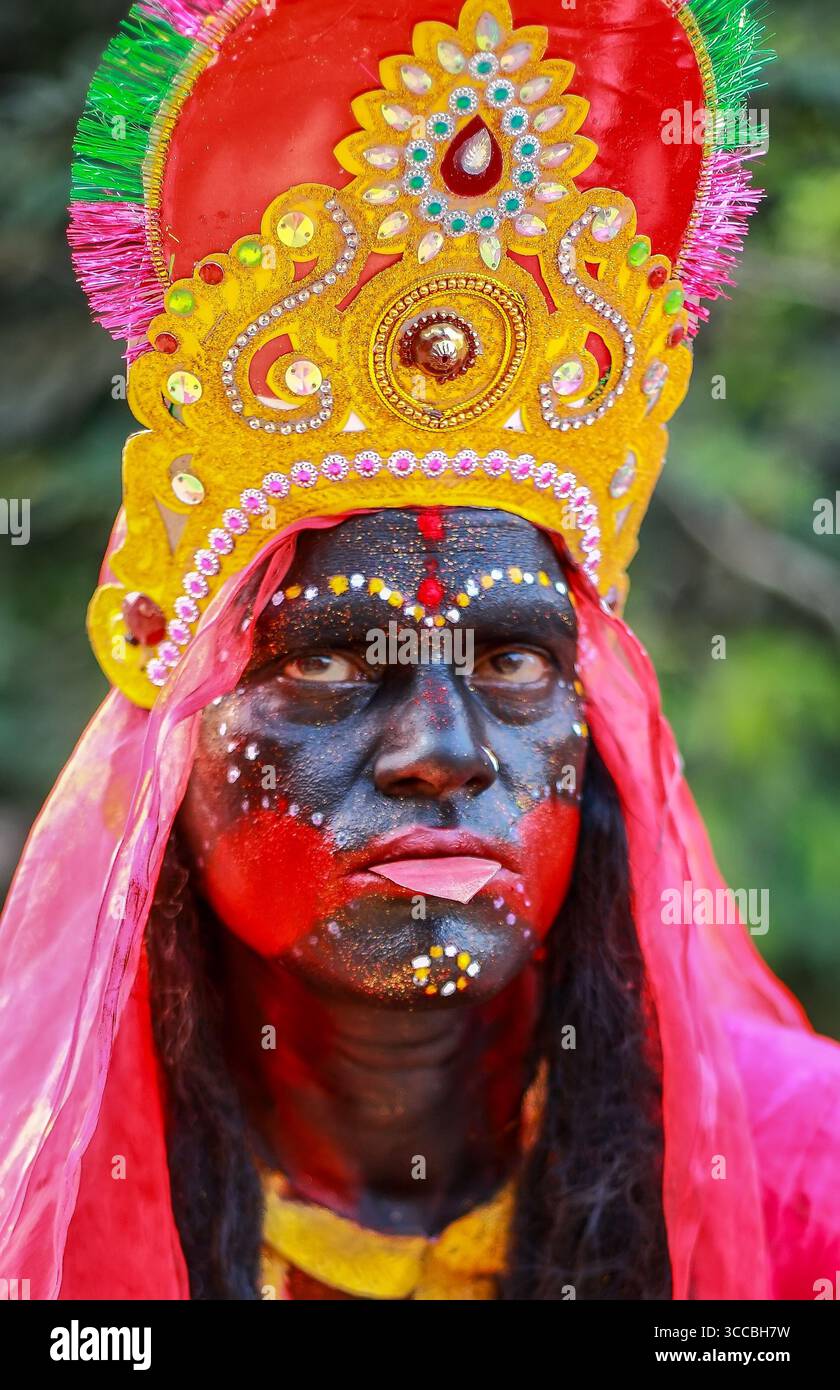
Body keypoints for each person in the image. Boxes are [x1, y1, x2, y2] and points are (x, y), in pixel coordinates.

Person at [1, 0, 838, 1301]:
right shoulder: (33, 1180)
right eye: (328, 662)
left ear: (597, 726)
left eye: (512, 662)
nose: (444, 752)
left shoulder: (802, 1174)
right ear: (180, 732)